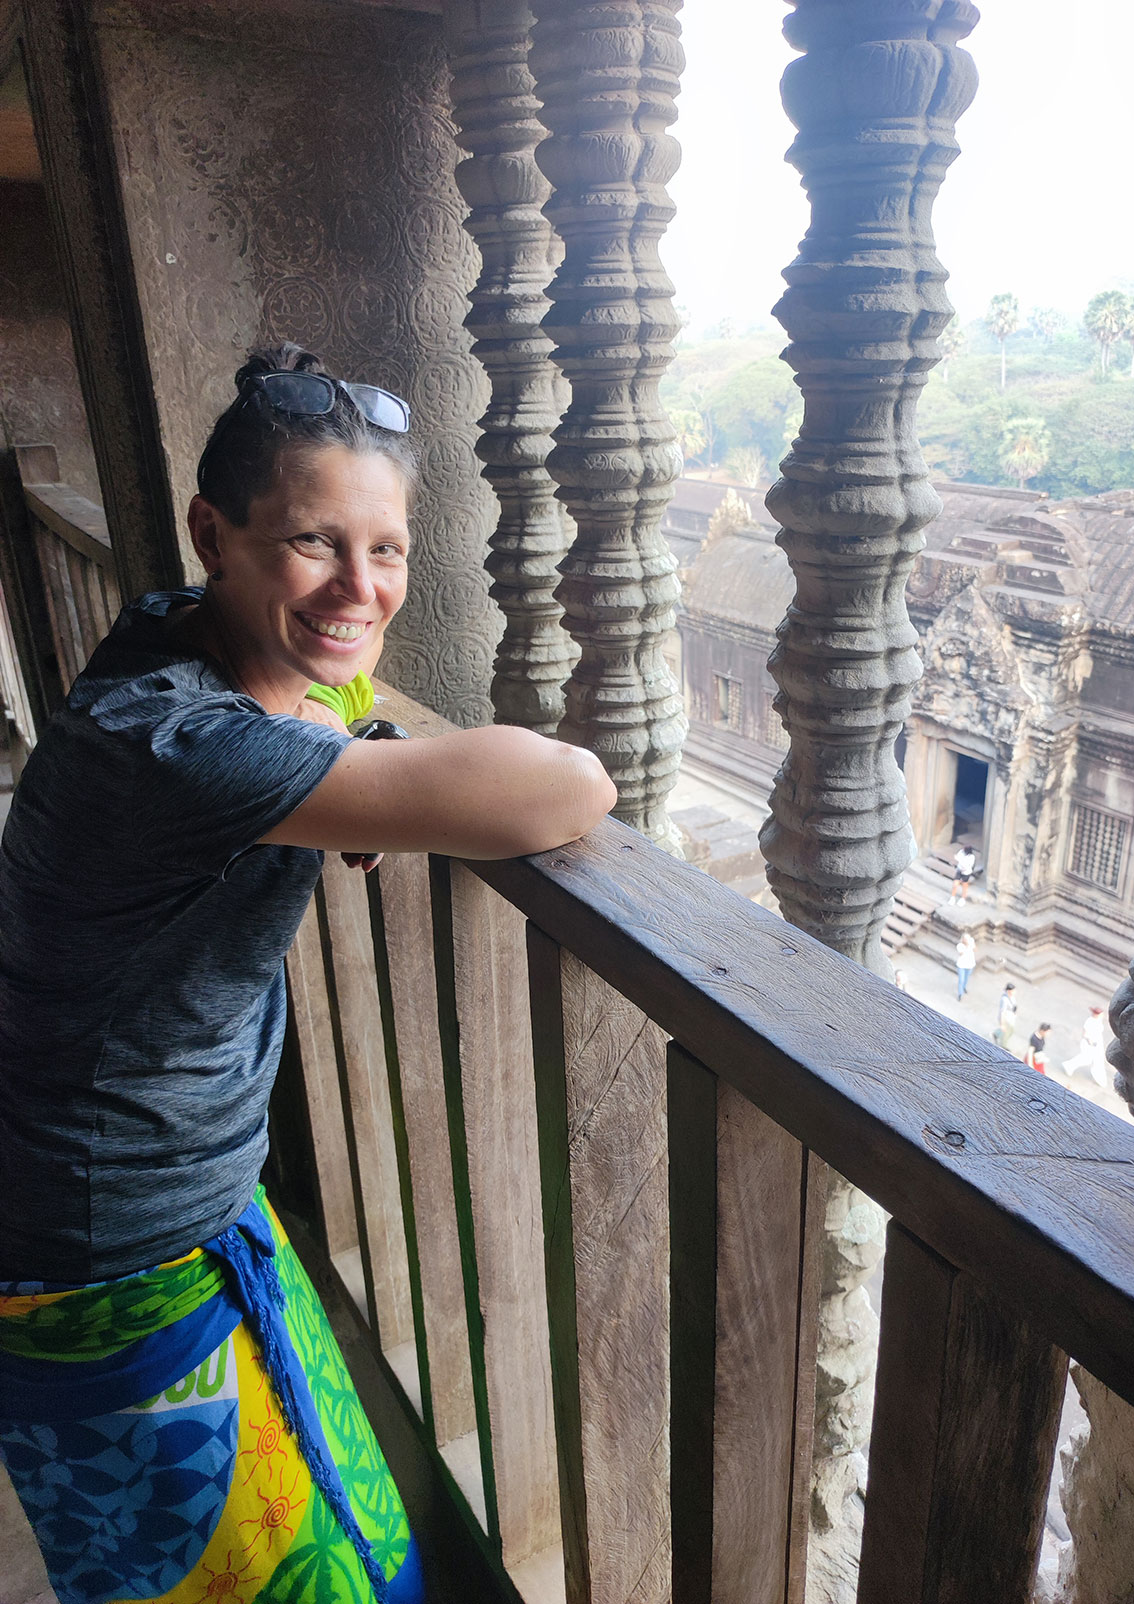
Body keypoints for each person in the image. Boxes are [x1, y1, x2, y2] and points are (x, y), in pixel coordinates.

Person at [0, 345, 617, 1604]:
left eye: (385, 548)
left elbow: (309, 715)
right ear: (212, 534)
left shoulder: (168, 637)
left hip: (131, 1204)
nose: (359, 587)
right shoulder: (176, 741)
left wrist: (339, 744)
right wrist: (356, 767)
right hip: (110, 1239)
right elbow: (569, 789)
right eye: (313, 542)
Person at [1063, 1005, 1107, 1087]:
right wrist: (1090, 1041)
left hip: (1097, 1043)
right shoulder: (1089, 1021)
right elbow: (1085, 1033)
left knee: (1097, 1061)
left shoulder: (1098, 1020)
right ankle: (1069, 1066)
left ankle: (1099, 1079)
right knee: (1086, 1059)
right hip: (1089, 1043)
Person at [993, 982, 1018, 1050]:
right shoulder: (1004, 999)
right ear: (1009, 991)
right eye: (1013, 990)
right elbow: (1002, 1012)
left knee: (1010, 1030)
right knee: (1006, 1033)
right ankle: (1003, 1046)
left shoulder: (1012, 997)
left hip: (1011, 1017)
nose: (1015, 992)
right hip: (1006, 1018)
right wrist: (1002, 1024)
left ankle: (996, 1034)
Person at [955, 931, 977, 999]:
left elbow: (975, 950)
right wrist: (966, 946)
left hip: (970, 964)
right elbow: (961, 953)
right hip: (961, 965)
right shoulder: (960, 945)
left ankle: (964, 987)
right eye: (965, 939)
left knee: (966, 978)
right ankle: (960, 993)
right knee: (961, 979)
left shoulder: (971, 942)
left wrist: (971, 945)